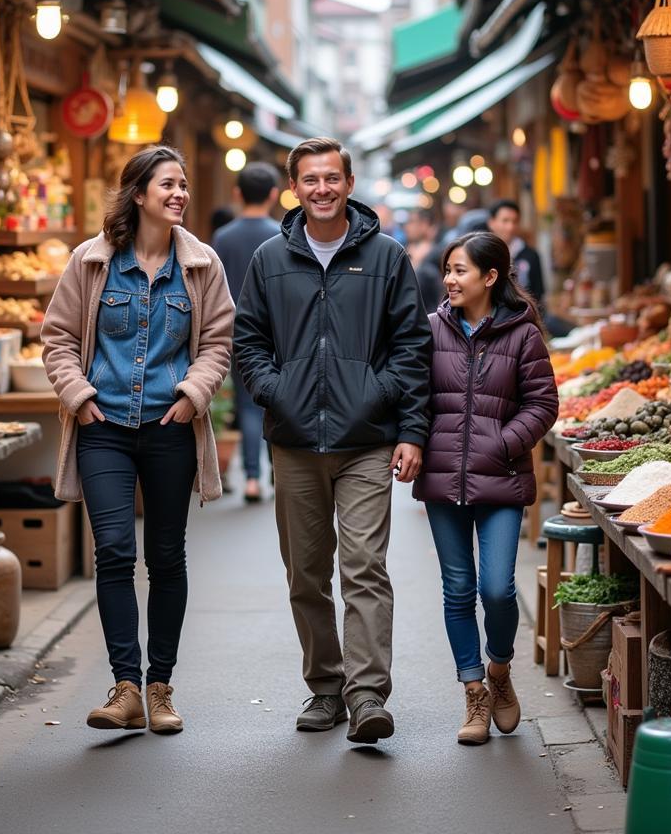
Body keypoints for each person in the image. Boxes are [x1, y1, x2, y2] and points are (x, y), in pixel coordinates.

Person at [234, 136, 431, 745]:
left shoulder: (387, 257)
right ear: (293, 188)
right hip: (294, 442)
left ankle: (367, 692)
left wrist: (405, 426)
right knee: (306, 574)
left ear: (348, 183)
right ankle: (326, 687)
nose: (322, 189)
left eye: (332, 179)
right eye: (310, 180)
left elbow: (413, 349)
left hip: (367, 440)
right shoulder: (269, 259)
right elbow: (247, 345)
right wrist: (280, 391)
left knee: (364, 566)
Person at [42, 145, 233, 735]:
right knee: (116, 551)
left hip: (170, 431)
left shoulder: (202, 266)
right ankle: (125, 687)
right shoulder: (92, 262)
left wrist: (190, 397)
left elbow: (218, 345)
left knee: (167, 554)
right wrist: (81, 398)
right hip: (105, 432)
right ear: (139, 193)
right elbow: (58, 339)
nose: (180, 194)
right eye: (168, 185)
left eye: (183, 186)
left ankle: (161, 688)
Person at [413, 232, 558, 745]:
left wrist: (501, 444)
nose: (448, 280)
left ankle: (499, 669)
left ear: (490, 278)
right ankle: (473, 690)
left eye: (459, 271)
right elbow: (414, 398)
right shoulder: (429, 330)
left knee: (497, 587)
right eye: (447, 270)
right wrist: (414, 442)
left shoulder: (523, 335)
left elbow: (543, 405)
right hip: (442, 478)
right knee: (457, 589)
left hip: (501, 477)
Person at [212, 163, 281, 503]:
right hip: (278, 333)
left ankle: (251, 479)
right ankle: (276, 473)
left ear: (237, 193)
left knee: (248, 404)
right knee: (276, 404)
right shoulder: (282, 234)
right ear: (274, 194)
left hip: (238, 333)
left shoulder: (223, 238)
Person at [487, 199, 546, 307]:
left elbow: (538, 294)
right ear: (492, 223)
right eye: (505, 221)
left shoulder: (531, 255)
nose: (510, 227)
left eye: (515, 221)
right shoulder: (483, 254)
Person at [404, 207, 445, 313]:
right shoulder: (403, 249)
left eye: (411, 222)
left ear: (424, 224)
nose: (407, 227)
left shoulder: (438, 254)